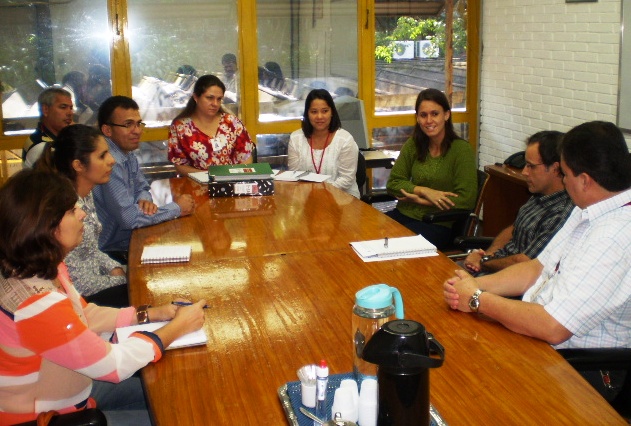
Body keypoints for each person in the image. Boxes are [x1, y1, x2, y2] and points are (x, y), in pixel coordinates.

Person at [0, 169, 206, 425]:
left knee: (173, 393)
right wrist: (177, 328)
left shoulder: (39, 270)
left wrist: (153, 313)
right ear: (47, 226)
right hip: (54, 416)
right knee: (180, 410)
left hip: (77, 390)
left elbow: (85, 315)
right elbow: (115, 365)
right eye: (71, 211)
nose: (82, 214)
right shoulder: (37, 304)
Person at [443, 121, 631, 399]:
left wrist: (477, 299)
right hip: (538, 340)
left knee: (470, 387)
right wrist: (474, 284)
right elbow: (538, 267)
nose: (563, 181)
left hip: (579, 369)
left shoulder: (615, 235)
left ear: (585, 180)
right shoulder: (588, 209)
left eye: (565, 174)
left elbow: (554, 326)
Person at [36, 124, 129, 307]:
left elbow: (91, 250)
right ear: (78, 165)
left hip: (97, 279)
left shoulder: (85, 193)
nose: (112, 161)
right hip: (82, 296)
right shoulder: (64, 209)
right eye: (102, 156)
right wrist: (123, 281)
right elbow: (76, 281)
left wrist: (115, 268)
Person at [93, 96, 195, 256]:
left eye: (138, 124)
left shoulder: (126, 153)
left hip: (133, 237)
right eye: (128, 125)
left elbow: (142, 186)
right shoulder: (109, 163)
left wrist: (144, 200)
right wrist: (177, 208)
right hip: (115, 250)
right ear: (107, 130)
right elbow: (129, 219)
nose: (137, 130)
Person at [463, 131, 574, 274]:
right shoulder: (540, 193)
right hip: (494, 266)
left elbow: (524, 262)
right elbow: (514, 229)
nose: (524, 172)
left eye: (531, 166)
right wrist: (487, 256)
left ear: (555, 168)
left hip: (512, 279)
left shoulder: (561, 213)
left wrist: (483, 263)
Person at [386, 88, 477, 249]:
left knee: (394, 247)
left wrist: (419, 199)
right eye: (423, 115)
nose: (429, 120)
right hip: (402, 214)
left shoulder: (461, 150)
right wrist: (423, 191)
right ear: (417, 118)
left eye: (435, 114)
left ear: (446, 115)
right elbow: (393, 183)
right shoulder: (413, 144)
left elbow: (465, 200)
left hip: (436, 224)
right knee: (366, 234)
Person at [167, 74, 254, 175]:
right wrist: (208, 178)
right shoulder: (180, 127)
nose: (215, 104)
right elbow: (180, 165)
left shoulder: (231, 123)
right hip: (197, 183)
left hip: (231, 183)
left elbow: (246, 158)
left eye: (219, 99)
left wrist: (232, 178)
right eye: (210, 98)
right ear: (196, 97)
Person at [288, 88, 360, 198]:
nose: (319, 117)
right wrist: (312, 196)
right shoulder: (296, 138)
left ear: (332, 113)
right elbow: (295, 175)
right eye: (314, 112)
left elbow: (346, 180)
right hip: (308, 199)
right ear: (307, 114)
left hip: (343, 199)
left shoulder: (345, 140)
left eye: (325, 111)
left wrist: (320, 194)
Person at [22, 87, 74, 168]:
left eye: (71, 108)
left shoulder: (62, 138)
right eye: (63, 107)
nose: (70, 113)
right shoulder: (41, 146)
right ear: (45, 110)